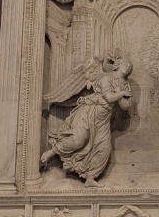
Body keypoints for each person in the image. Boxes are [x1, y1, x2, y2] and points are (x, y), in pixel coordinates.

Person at [41, 55, 133, 186]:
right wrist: (120, 94)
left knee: (105, 148)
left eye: (130, 67)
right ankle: (52, 151)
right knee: (78, 139)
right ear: (118, 64)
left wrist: (120, 94)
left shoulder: (125, 84)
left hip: (104, 118)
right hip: (89, 111)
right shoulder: (106, 77)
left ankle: (90, 177)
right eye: (126, 64)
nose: (128, 67)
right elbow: (108, 97)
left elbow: (126, 106)